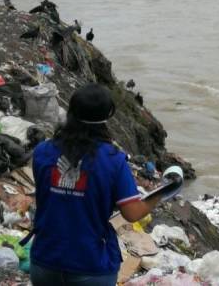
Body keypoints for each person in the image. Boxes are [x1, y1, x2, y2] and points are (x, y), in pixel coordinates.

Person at [30, 84, 161, 286]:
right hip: (90, 263)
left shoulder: (42, 152)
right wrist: (158, 195)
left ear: (70, 112)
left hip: (45, 259)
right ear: (106, 117)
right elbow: (132, 213)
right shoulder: (113, 160)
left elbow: (51, 197)